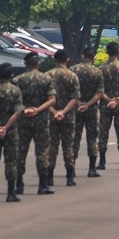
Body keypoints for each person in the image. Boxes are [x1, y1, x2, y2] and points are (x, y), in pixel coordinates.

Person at [14, 52, 57, 195]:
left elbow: (14, 102)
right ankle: (43, 184)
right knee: (42, 151)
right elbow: (52, 100)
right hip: (41, 120)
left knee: (21, 151)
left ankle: (19, 184)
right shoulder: (46, 79)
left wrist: (25, 110)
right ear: (39, 64)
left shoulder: (17, 80)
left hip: (22, 120)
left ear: (26, 64)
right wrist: (37, 110)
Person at [0, 63, 23, 203]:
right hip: (11, 130)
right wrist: (5, 127)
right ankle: (10, 192)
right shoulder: (15, 91)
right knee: (11, 161)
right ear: (11, 75)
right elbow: (17, 112)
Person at [48, 49, 81, 186]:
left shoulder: (47, 75)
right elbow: (75, 98)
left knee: (51, 146)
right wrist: (64, 112)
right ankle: (70, 176)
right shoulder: (72, 76)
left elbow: (44, 99)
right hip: (69, 117)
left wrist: (55, 112)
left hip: (51, 116)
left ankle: (49, 176)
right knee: (68, 147)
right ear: (67, 60)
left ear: (54, 60)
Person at [71, 47, 105, 178]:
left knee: (75, 138)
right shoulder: (97, 72)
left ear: (82, 56)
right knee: (92, 138)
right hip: (91, 109)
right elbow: (100, 93)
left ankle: (71, 167)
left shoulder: (73, 70)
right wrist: (88, 104)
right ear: (94, 57)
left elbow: (71, 91)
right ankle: (92, 168)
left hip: (75, 107)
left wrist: (79, 103)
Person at [98, 42, 119, 171]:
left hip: (105, 105)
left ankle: (101, 161)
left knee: (103, 133)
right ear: (118, 53)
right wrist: (118, 99)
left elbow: (99, 89)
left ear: (107, 52)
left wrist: (109, 100)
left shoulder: (101, 68)